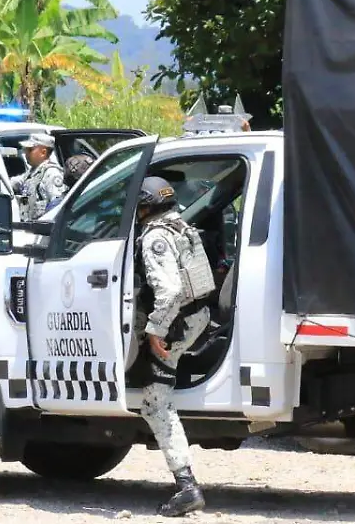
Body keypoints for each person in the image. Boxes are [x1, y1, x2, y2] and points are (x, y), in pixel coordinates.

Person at [134, 175, 217, 517]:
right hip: (198, 315)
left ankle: (186, 486)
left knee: (155, 403)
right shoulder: (182, 226)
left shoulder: (155, 236)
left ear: (146, 204)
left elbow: (168, 292)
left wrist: (155, 329)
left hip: (177, 325)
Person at [10, 133, 66, 220]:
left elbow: (57, 205)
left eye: (30, 150)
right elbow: (13, 183)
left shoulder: (52, 173)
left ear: (43, 152)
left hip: (42, 229)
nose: (25, 153)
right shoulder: (31, 173)